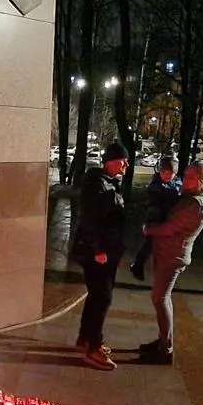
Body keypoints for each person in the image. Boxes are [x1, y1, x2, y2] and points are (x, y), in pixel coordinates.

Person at [137, 160, 203, 364]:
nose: (184, 180)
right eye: (185, 175)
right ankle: (163, 341)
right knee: (161, 298)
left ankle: (165, 350)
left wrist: (148, 230)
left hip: (173, 256)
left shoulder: (195, 204)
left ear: (200, 181)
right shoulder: (190, 197)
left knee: (160, 299)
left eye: (190, 177)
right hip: (167, 253)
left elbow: (169, 227)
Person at [71, 143, 128, 369]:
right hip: (98, 253)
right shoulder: (97, 184)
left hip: (107, 251)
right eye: (123, 160)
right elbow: (90, 221)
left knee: (97, 295)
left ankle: (87, 338)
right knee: (102, 296)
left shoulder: (109, 183)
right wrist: (98, 251)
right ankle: (92, 348)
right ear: (111, 161)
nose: (126, 165)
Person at [130, 157, 183, 281]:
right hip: (156, 219)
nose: (166, 175)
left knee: (158, 247)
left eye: (169, 172)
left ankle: (146, 268)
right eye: (163, 172)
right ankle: (138, 265)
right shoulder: (156, 184)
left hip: (168, 220)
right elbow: (153, 201)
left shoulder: (177, 182)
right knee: (150, 244)